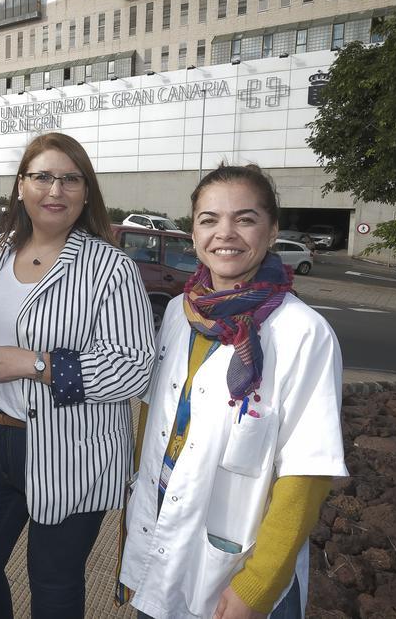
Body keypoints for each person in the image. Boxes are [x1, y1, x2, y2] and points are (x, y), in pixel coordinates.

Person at [0, 132, 156, 618]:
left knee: (53, 585)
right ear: (20, 186)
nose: (54, 190)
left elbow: (134, 368)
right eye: (42, 177)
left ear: (86, 192)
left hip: (69, 454)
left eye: (69, 179)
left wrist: (36, 364)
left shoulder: (110, 269)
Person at [118, 164, 348, 619]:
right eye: (209, 219)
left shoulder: (303, 333)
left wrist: (257, 585)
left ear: (273, 229)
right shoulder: (181, 314)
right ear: (193, 230)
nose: (226, 233)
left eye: (244, 219)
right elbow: (156, 421)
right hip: (160, 541)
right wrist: (136, 519)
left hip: (237, 574)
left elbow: (308, 473)